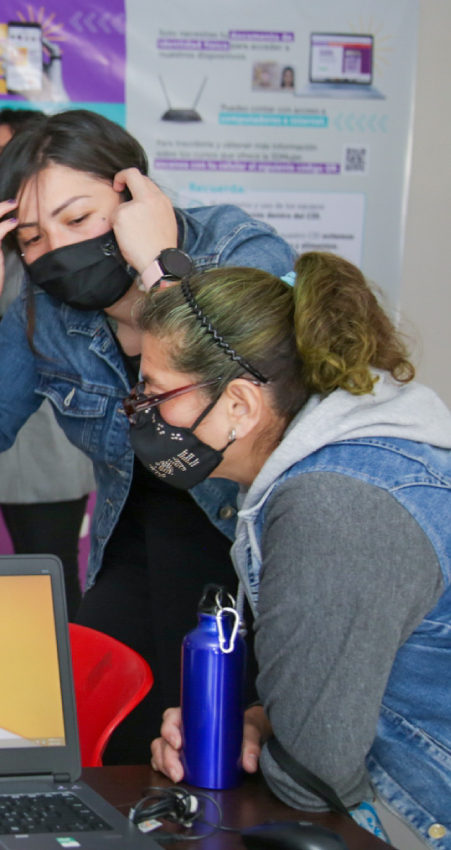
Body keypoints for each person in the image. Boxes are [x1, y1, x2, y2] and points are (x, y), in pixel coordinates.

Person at [0, 110, 295, 763]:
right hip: (136, 550)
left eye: (77, 218)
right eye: (30, 235)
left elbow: (238, 398)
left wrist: (155, 265)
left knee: (234, 762)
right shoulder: (44, 312)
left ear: (130, 193)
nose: (55, 248)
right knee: (93, 743)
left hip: (252, 552)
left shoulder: (235, 248)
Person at [139, 253, 450, 850]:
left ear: (240, 405)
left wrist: (257, 748)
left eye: (156, 391)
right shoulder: (356, 461)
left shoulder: (331, 507)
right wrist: (256, 723)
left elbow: (317, 772)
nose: (142, 410)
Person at [0, 106, 95, 619]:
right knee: (35, 569)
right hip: (18, 440)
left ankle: (70, 685)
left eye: (0, 154)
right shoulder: (3, 242)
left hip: (49, 443)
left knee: (51, 573)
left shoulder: (45, 248)